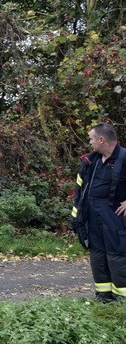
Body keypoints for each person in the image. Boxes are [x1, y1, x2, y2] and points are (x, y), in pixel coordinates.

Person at [73, 123, 126, 302]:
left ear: (101, 139)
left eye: (91, 138)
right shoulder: (91, 160)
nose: (89, 142)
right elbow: (80, 190)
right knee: (97, 255)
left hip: (115, 216)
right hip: (93, 215)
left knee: (117, 256)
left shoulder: (124, 157)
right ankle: (103, 298)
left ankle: (121, 301)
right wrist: (78, 217)